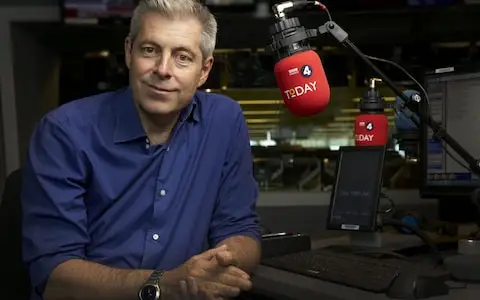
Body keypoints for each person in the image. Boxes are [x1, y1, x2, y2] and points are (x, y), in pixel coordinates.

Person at [21, 1, 262, 300]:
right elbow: (54, 275)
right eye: (150, 50)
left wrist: (224, 262)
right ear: (129, 52)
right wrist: (165, 282)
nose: (163, 70)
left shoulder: (224, 121)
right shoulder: (64, 132)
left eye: (182, 57)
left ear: (204, 70)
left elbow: (240, 226)